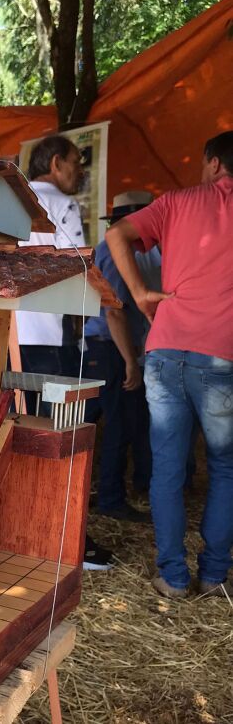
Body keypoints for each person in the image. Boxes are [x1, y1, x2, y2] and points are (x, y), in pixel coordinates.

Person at [106, 131, 233, 599]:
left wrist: (139, 293)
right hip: (223, 355)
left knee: (167, 468)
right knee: (223, 468)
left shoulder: (178, 201)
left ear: (215, 163)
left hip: (164, 349)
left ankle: (174, 577)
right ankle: (216, 576)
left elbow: (116, 233)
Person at [17, 135, 113, 571]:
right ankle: (63, 537)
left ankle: (22, 524)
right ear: (55, 163)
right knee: (55, 435)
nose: (79, 173)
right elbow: (78, 262)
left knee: (13, 432)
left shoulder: (14, 194)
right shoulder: (62, 205)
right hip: (44, 337)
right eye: (75, 164)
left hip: (6, 333)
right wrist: (109, 299)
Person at [84, 193, 154, 523]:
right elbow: (114, 312)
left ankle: (93, 492)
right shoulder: (117, 250)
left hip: (102, 344)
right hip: (110, 345)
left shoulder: (105, 248)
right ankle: (111, 498)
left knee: (91, 420)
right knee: (119, 425)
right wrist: (130, 360)